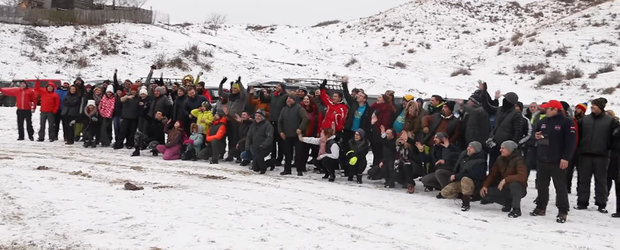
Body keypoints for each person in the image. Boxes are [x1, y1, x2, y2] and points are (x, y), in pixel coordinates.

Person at [529, 100, 576, 223]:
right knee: (542, 185)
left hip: (558, 161)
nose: (545, 111)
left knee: (560, 187)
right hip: (542, 159)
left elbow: (571, 143)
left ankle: (562, 211)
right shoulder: (543, 121)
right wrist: (536, 135)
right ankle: (540, 207)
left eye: (548, 109)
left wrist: (566, 158)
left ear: (555, 109)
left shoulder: (567, 122)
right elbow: (534, 133)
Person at [575, 98, 619, 213]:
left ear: (601, 107)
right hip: (585, 154)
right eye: (592, 106)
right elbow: (577, 135)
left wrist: (610, 147)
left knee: (601, 181)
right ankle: (582, 202)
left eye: (594, 106)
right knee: (583, 180)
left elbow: (616, 136)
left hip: (602, 155)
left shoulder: (611, 121)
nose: (592, 107)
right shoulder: (585, 120)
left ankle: (601, 204)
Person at [480, 140, 527, 218]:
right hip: (504, 187)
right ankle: (507, 202)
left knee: (515, 185)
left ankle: (516, 209)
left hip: (519, 189)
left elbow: (522, 176)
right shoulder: (500, 159)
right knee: (485, 193)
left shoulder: (519, 160)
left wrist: (506, 180)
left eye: (503, 148)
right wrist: (485, 185)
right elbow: (492, 174)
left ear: (510, 149)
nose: (500, 150)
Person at [440, 141, 487, 211]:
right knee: (444, 192)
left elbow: (472, 175)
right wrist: (454, 177)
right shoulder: (464, 157)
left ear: (476, 150)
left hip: (474, 184)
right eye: (468, 146)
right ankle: (463, 195)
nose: (468, 148)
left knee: (466, 179)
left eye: (471, 147)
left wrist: (456, 176)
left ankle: (466, 203)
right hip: (461, 182)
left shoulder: (481, 161)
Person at [487, 92, 522, 170]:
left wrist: (511, 147)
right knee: (492, 167)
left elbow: (517, 132)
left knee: (503, 168)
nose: (504, 100)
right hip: (494, 144)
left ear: (510, 102)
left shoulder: (516, 114)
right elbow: (488, 108)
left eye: (506, 99)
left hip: (505, 147)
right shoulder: (499, 110)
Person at [278, 95, 309, 176]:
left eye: (290, 98)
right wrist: (281, 132)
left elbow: (305, 118)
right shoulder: (284, 109)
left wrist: (300, 128)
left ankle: (299, 170)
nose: (288, 100)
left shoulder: (299, 108)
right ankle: (287, 169)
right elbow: (280, 121)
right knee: (287, 154)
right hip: (287, 135)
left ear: (294, 100)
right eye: (288, 98)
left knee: (299, 154)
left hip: (297, 135)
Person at [262, 82, 288, 167]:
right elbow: (264, 100)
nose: (277, 87)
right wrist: (263, 94)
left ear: (283, 88)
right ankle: (273, 158)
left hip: (280, 122)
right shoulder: (273, 95)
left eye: (279, 86)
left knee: (280, 142)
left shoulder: (285, 96)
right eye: (277, 86)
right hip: (272, 121)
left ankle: (279, 159)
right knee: (272, 141)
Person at [246, 109, 274, 174]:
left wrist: (263, 145)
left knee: (259, 158)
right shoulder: (253, 125)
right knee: (255, 168)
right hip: (255, 146)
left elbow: (269, 137)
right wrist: (247, 145)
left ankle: (263, 169)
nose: (257, 117)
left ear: (263, 117)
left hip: (265, 147)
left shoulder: (268, 125)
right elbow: (249, 136)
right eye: (256, 116)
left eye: (259, 116)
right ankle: (270, 162)